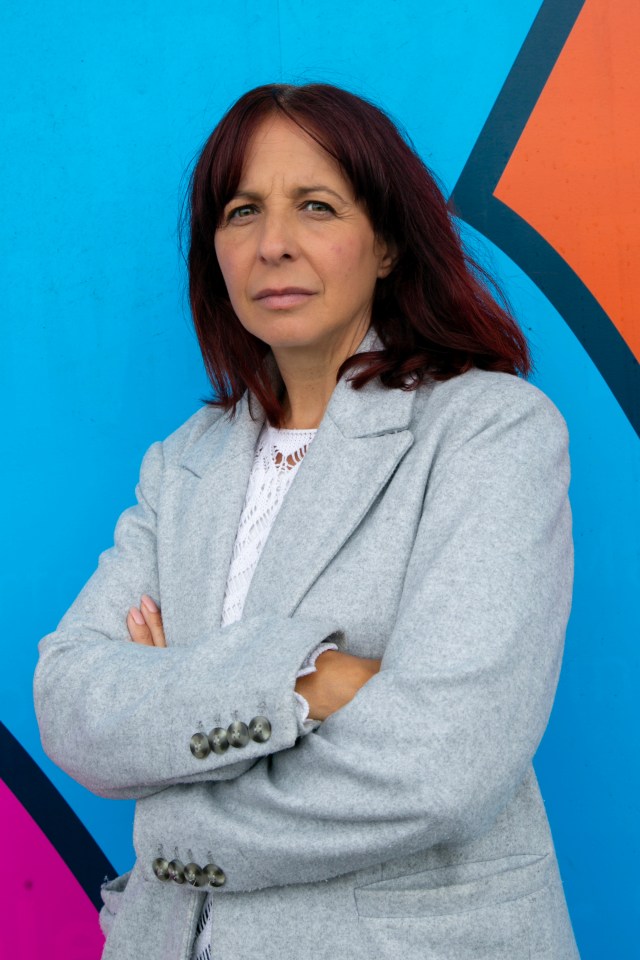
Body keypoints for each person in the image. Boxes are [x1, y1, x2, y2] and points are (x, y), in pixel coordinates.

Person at [33, 83, 580, 960]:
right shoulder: (185, 463)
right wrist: (308, 680)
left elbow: (442, 763)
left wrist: (176, 800)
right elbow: (70, 702)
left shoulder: (490, 431)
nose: (272, 244)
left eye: (315, 206)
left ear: (389, 243)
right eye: (241, 211)